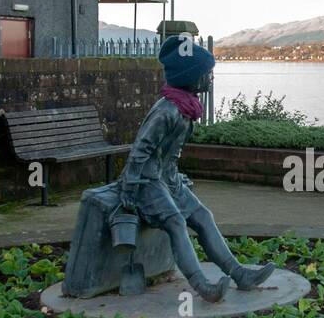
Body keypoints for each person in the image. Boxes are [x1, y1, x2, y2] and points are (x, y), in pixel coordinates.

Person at [109, 35, 274, 302]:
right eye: (205, 74)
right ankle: (202, 286)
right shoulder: (167, 112)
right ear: (190, 77)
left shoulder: (184, 108)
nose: (209, 79)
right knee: (176, 222)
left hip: (168, 180)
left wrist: (175, 175)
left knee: (203, 215)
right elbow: (141, 150)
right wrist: (129, 185)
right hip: (146, 183)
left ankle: (239, 274)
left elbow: (168, 155)